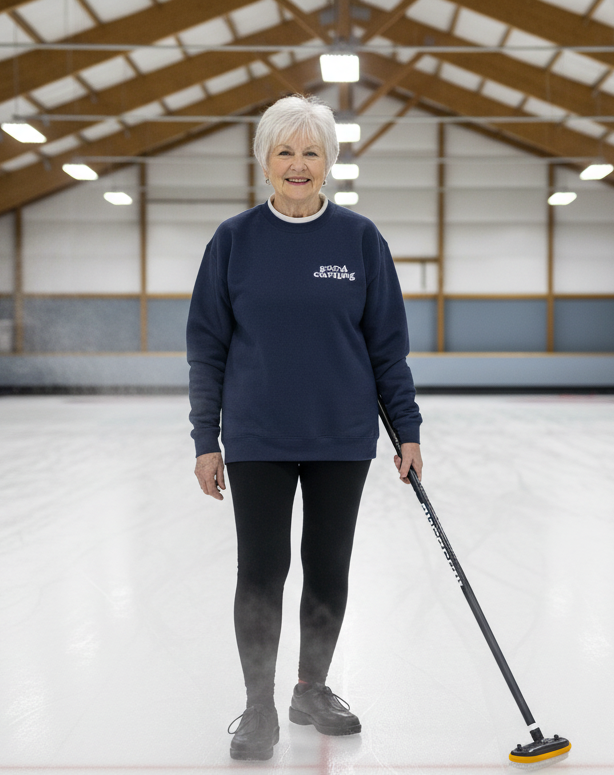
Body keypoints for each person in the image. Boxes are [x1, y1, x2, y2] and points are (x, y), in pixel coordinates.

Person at [186, 94, 423, 762]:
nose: (297, 164)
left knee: (327, 567)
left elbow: (387, 348)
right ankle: (258, 705)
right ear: (264, 161)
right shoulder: (234, 241)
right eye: (284, 151)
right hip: (257, 435)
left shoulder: (359, 240)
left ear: (329, 163)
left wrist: (405, 429)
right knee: (261, 570)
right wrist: (206, 438)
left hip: (341, 436)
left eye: (310, 152)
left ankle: (309, 688)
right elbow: (206, 345)